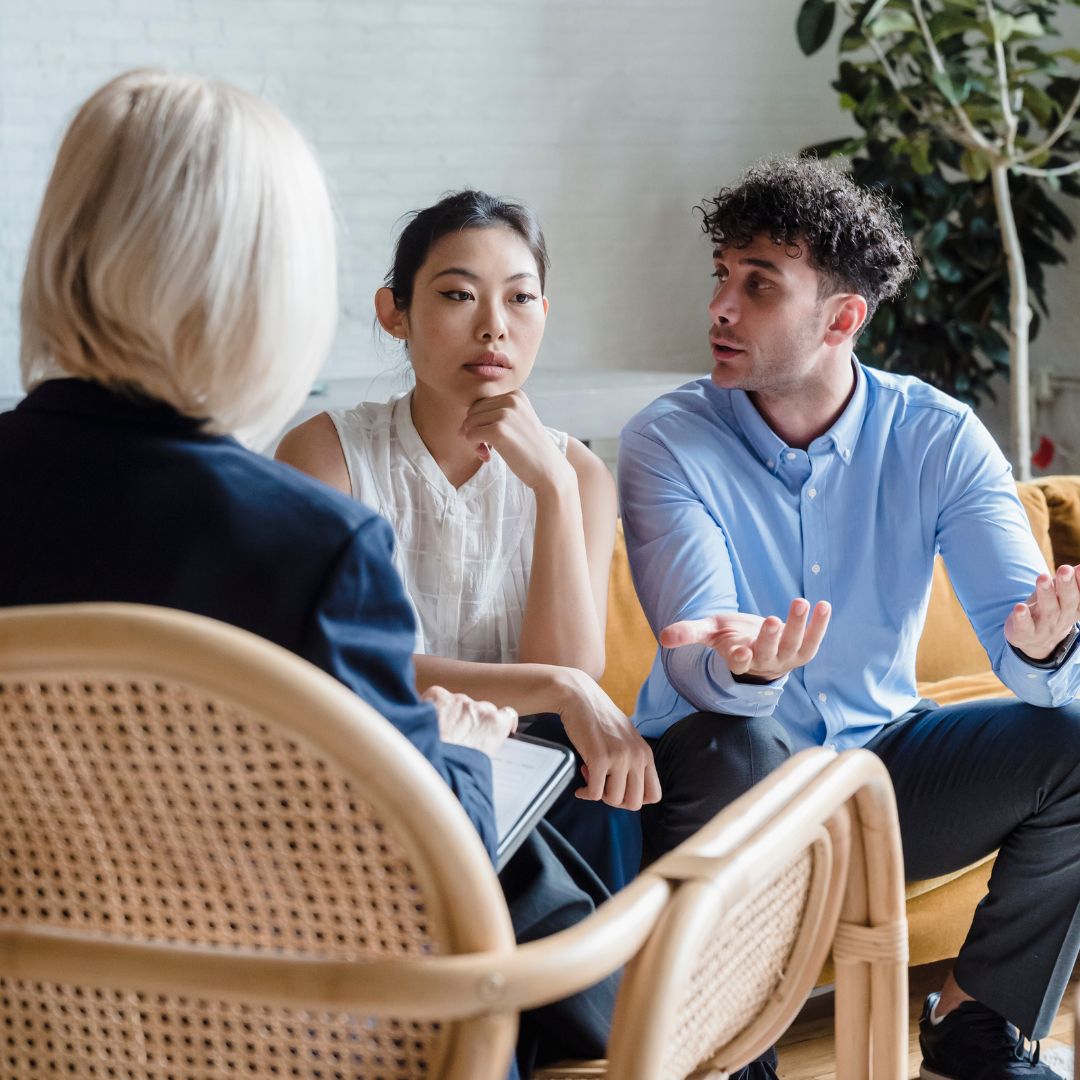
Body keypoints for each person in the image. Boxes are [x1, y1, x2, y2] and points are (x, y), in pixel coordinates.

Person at [0, 69, 614, 1079]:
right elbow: (420, 869)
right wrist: (457, 753)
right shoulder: (309, 544)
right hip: (283, 1029)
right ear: (266, 289)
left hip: (40, 1019)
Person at [619, 156, 1080, 1080]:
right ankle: (732, 1059)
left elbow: (1029, 643)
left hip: (879, 766)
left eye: (758, 285)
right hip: (717, 776)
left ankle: (974, 1028)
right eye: (721, 275)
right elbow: (697, 651)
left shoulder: (938, 436)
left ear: (842, 318)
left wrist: (1046, 647)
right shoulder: (667, 440)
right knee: (734, 742)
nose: (719, 307)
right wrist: (746, 670)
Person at [276, 189, 660, 890]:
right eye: (458, 295)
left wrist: (553, 488)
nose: (494, 328)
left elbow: (568, 671)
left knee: (597, 783)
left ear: (543, 313)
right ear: (394, 312)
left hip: (533, 763)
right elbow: (338, 666)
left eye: (520, 299)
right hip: (382, 757)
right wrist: (557, 688)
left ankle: (596, 964)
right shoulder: (326, 454)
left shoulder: (577, 473)